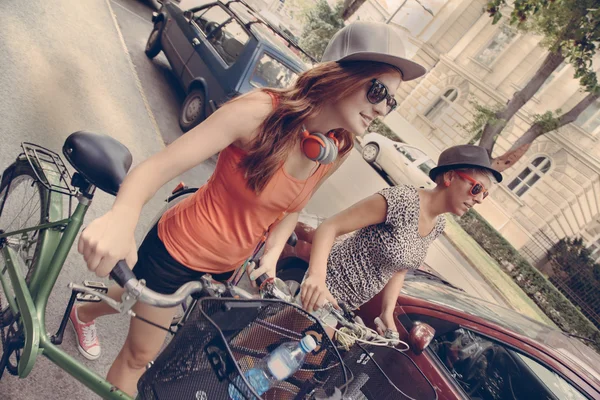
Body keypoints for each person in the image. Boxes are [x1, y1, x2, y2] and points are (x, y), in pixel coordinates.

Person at [72, 21, 427, 395]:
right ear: (339, 74)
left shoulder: (335, 147)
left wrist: (273, 251)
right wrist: (122, 218)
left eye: (391, 100)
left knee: (150, 317)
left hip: (227, 268)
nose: (382, 109)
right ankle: (85, 313)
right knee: (139, 356)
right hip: (180, 249)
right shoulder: (259, 112)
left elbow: (293, 205)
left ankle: (86, 309)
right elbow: (157, 167)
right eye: (377, 91)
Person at [299, 145, 503, 336]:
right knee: (288, 352)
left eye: (485, 194)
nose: (479, 199)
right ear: (450, 177)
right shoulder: (402, 201)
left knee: (290, 353)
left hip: (345, 305)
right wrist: (317, 278)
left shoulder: (438, 225)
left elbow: (400, 268)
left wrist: (387, 312)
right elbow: (330, 227)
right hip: (325, 286)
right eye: (476, 188)